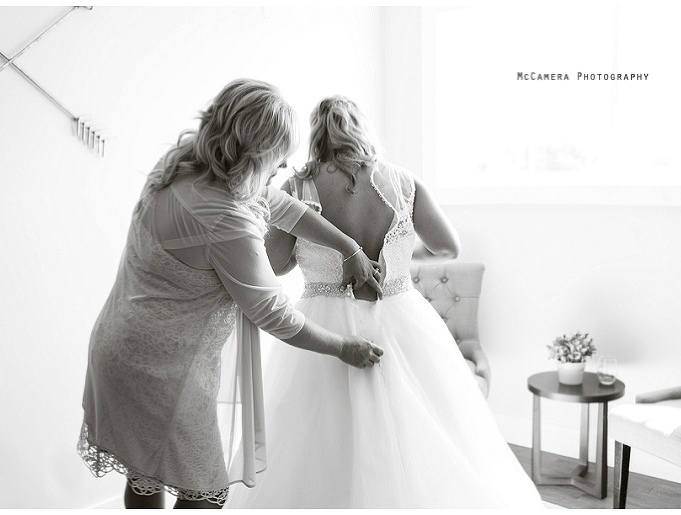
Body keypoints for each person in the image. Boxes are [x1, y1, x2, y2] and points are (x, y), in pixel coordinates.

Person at [76, 80, 385, 509]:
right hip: (163, 373)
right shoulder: (226, 219)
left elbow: (282, 207)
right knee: (207, 493)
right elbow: (273, 313)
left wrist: (347, 247)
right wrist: (343, 347)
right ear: (256, 153)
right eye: (280, 154)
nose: (286, 164)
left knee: (146, 472)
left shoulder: (184, 165)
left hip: (117, 346)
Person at [225, 96, 546, 508]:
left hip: (325, 322)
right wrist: (398, 257)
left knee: (316, 441)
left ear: (316, 133)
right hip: (400, 315)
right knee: (418, 435)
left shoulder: (299, 186)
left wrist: (306, 253)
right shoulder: (403, 182)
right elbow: (448, 247)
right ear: (362, 128)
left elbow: (274, 263)